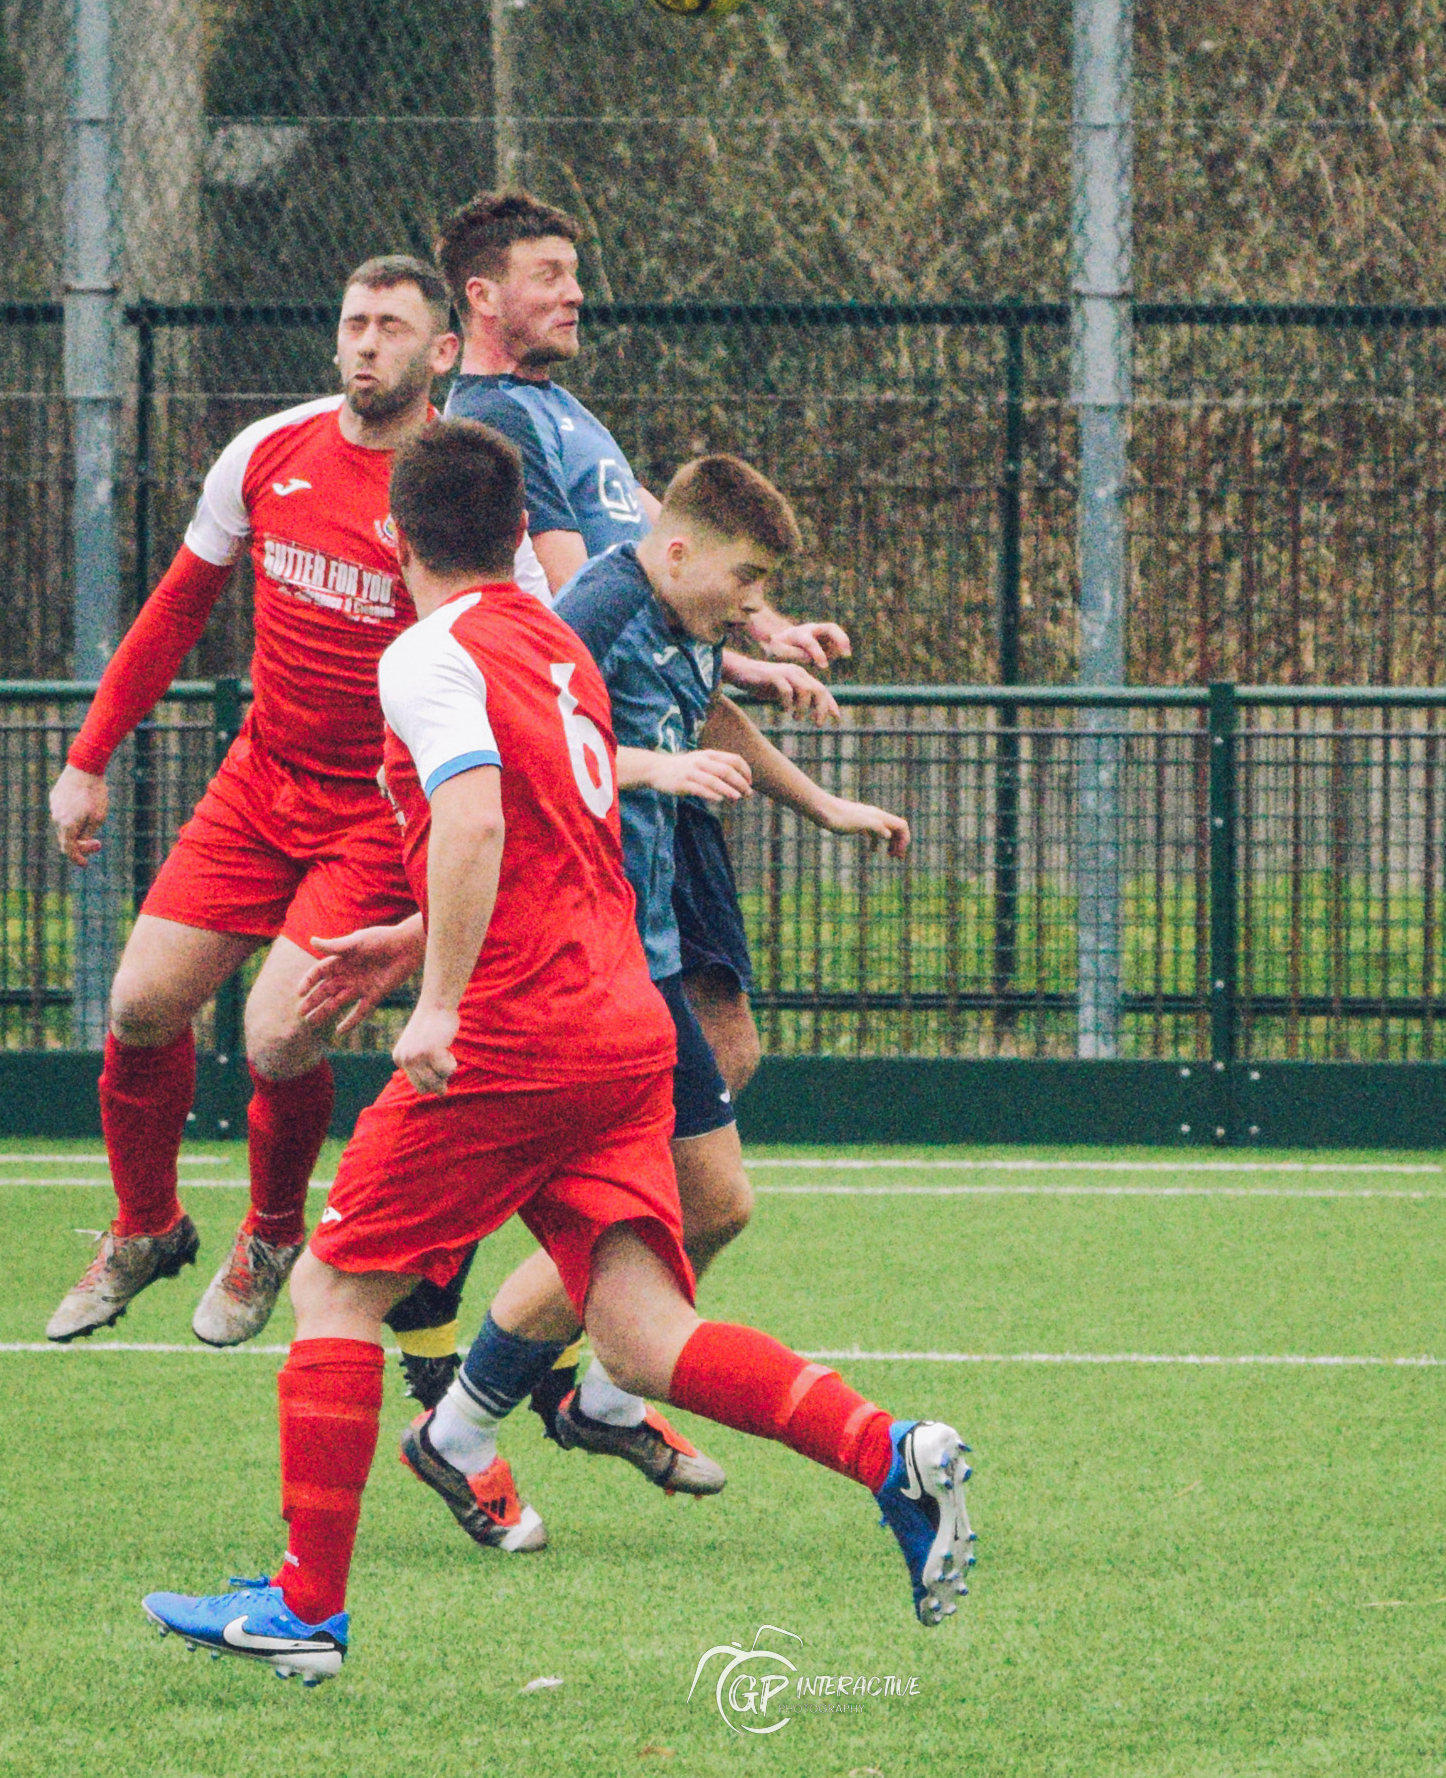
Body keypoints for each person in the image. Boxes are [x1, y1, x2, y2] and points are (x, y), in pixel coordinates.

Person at [141, 419, 973, 1684]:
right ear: (516, 530)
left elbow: (475, 822)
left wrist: (438, 999)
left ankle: (305, 1606)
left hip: (517, 1031)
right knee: (640, 1338)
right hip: (622, 1022)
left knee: (335, 1290)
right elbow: (552, 836)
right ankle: (889, 1453)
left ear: (396, 535)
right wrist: (407, 940)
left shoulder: (427, 653)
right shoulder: (551, 643)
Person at [319, 189, 853, 1410]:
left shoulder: (566, 412)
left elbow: (673, 551)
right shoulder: (503, 424)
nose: (574, 292)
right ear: (480, 298)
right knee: (668, 1164)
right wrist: (686, 702)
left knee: (710, 1100)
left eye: (574, 269)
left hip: (644, 790)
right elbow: (586, 627)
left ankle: (529, 1367)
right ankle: (511, 1355)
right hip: (614, 801)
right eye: (549, 272)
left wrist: (752, 635)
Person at [383, 451, 910, 1539]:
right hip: (585, 957)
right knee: (690, 1207)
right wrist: (650, 770)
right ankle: (503, 1415)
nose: (754, 606)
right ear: (675, 550)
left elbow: (703, 714)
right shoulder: (598, 610)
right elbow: (529, 750)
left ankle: (514, 1415)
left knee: (697, 1202)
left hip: (638, 947)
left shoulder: (683, 615)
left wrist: (824, 805)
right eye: (745, 579)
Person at [43, 258, 545, 1350]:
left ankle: (272, 1235)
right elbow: (176, 609)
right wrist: (88, 757)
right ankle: (145, 1226)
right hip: (257, 784)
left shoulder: (461, 490)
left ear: (441, 352)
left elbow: (528, 651)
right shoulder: (269, 450)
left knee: (276, 1038)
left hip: (376, 814)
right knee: (138, 1007)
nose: (366, 342)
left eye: (392, 326)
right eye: (354, 321)